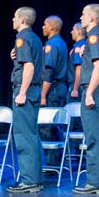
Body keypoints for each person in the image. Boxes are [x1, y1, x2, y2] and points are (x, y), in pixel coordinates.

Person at [73, 3, 99, 195]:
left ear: (92, 18)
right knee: (98, 137)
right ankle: (98, 180)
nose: (81, 18)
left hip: (94, 90)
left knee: (95, 138)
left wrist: (89, 93)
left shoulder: (95, 36)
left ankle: (96, 182)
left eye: (83, 14)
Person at [6, 6, 44, 193]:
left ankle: (29, 180)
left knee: (24, 136)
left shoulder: (22, 38)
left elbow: (29, 67)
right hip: (34, 91)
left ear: (22, 19)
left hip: (26, 91)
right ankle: (35, 178)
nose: (12, 20)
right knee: (31, 134)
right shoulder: (35, 38)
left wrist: (21, 92)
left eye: (14, 17)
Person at [39, 15, 69, 168]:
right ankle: (55, 161)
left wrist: (43, 95)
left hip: (53, 88)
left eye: (44, 24)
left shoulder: (52, 44)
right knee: (55, 125)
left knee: (48, 125)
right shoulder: (61, 43)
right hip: (59, 87)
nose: (42, 27)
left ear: (51, 27)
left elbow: (48, 72)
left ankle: (52, 163)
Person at [67, 22, 86, 103]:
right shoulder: (82, 44)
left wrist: (75, 89)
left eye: (73, 30)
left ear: (79, 32)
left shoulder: (79, 46)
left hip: (77, 85)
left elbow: (79, 68)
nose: (71, 32)